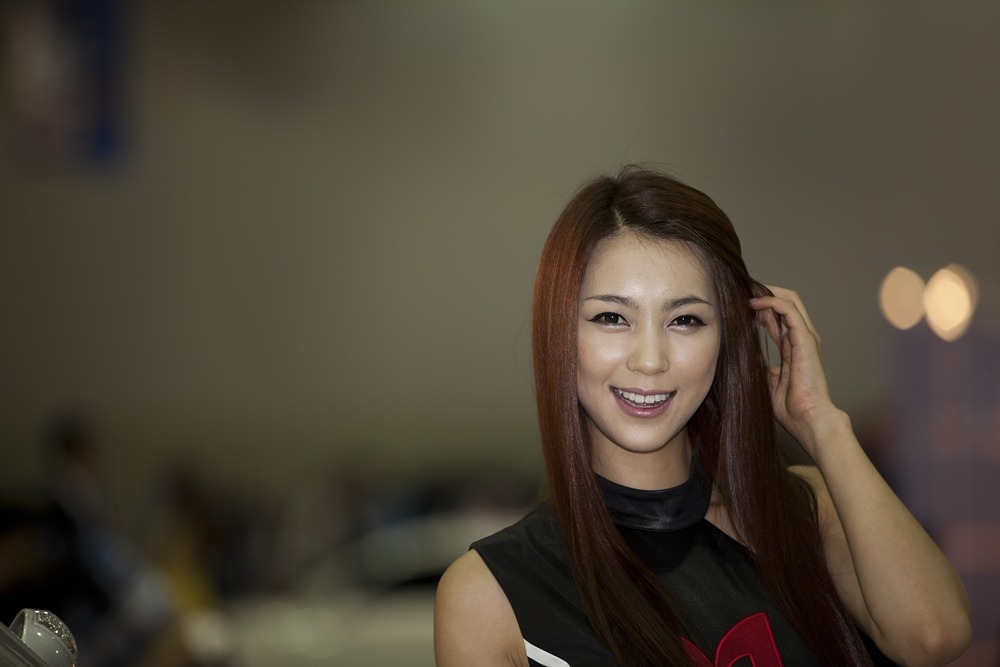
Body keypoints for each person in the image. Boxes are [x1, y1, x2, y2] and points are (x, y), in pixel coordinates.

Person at [434, 166, 972, 666]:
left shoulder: (804, 515)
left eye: (685, 320)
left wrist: (821, 421)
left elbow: (934, 637)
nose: (650, 360)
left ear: (726, 339)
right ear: (559, 334)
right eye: (611, 317)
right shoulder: (491, 593)